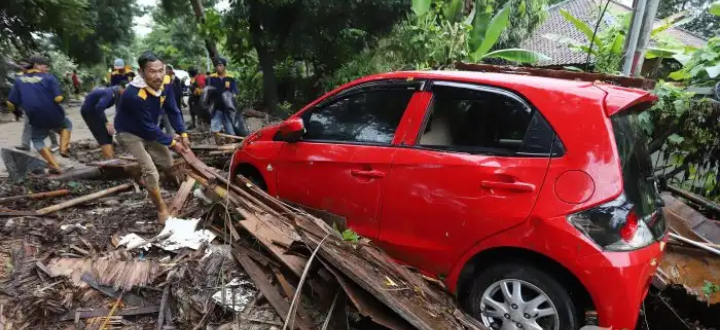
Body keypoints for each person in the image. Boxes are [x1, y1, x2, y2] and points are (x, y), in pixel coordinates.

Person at [114, 51, 190, 224]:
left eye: (160, 70)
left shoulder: (167, 83)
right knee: (151, 171)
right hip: (129, 131)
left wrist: (182, 133)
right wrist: (172, 143)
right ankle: (161, 208)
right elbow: (147, 127)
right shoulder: (134, 94)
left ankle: (137, 172)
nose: (158, 76)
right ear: (141, 72)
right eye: (152, 71)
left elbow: (173, 110)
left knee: (168, 163)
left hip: (150, 128)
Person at [7, 55, 72, 173]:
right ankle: (63, 149)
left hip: (34, 116)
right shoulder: (49, 77)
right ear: (37, 65)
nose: (47, 69)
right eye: (45, 66)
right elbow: (58, 98)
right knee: (67, 125)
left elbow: (11, 103)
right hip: (53, 113)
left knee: (37, 139)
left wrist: (18, 110)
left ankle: (55, 166)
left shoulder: (18, 80)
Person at [80, 84, 125, 159]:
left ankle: (111, 157)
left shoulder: (117, 95)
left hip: (95, 111)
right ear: (121, 88)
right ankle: (109, 158)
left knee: (108, 133)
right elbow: (99, 107)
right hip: (89, 112)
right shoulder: (109, 93)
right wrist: (106, 122)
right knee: (102, 135)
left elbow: (119, 111)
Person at [207, 57, 238, 143]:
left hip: (227, 108)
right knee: (215, 128)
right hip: (216, 107)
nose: (218, 67)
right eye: (217, 66)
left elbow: (235, 91)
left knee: (229, 128)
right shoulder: (211, 78)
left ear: (224, 66)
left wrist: (232, 97)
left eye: (220, 65)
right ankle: (218, 145)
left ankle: (228, 148)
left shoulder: (230, 78)